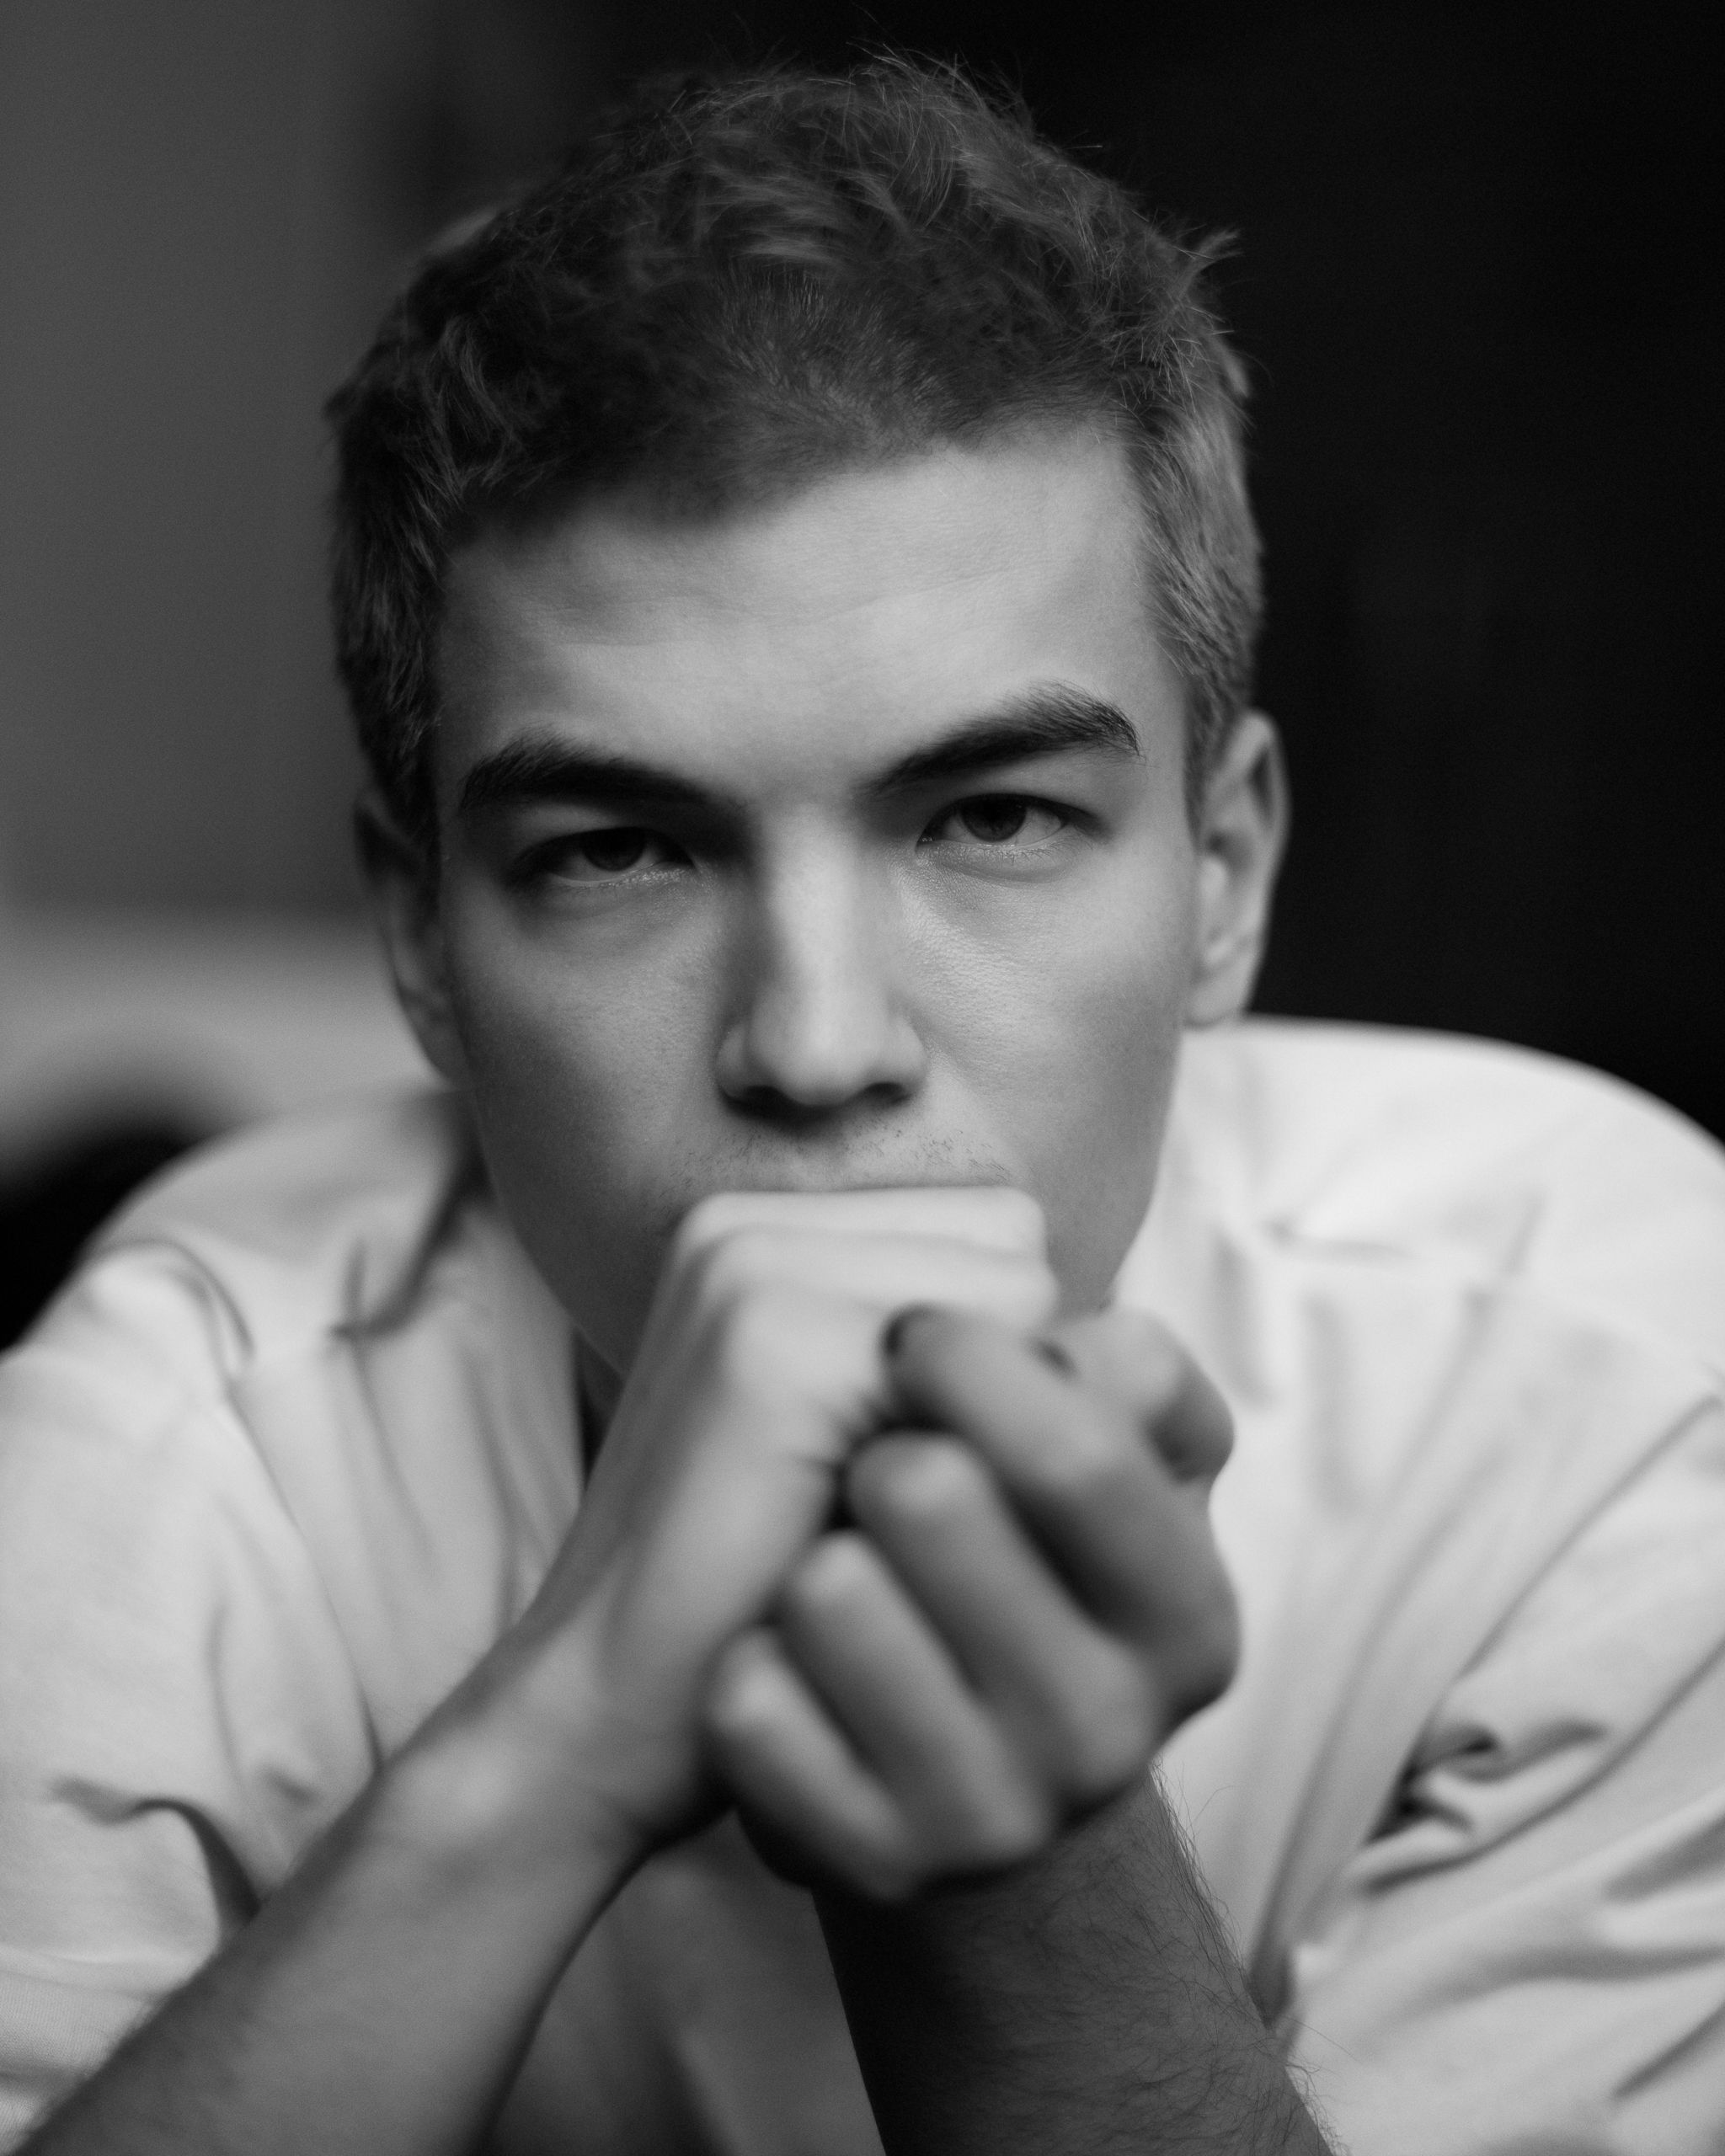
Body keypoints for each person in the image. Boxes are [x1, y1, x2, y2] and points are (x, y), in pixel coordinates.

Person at [2, 56, 1722, 2156]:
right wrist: (546, 1747)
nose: (816, 1047)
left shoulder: (1620, 1388)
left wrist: (1027, 1856)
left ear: (1225, 873)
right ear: (424, 947)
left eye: (992, 815)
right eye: (620, 849)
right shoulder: (192, 1422)